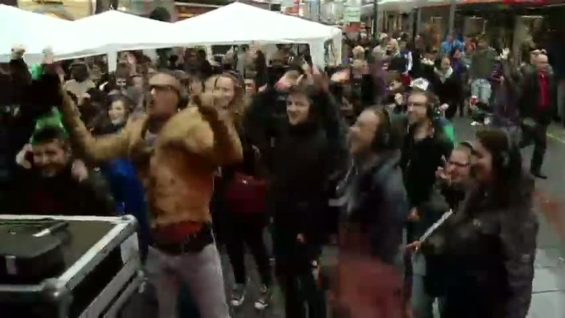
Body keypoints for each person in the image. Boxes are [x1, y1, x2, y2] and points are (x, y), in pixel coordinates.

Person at [58, 69, 242, 318]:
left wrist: (215, 115)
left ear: (175, 96)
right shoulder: (136, 130)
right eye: (150, 88)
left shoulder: (191, 125)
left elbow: (230, 154)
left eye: (161, 89)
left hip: (196, 250)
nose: (152, 94)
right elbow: (93, 150)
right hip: (158, 249)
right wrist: (62, 101)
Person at [425, 128, 537, 318]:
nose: (473, 162)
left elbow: (519, 282)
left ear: (502, 161)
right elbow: (462, 219)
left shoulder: (517, 214)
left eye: (479, 155)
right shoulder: (479, 190)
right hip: (458, 300)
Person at [333, 106, 407, 318]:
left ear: (381, 139)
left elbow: (385, 255)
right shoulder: (359, 168)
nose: (352, 130)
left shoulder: (390, 189)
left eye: (361, 127)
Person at [210, 72, 274, 310]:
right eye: (218, 88)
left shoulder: (245, 117)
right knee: (231, 240)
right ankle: (239, 280)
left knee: (254, 240)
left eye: (227, 89)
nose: (222, 94)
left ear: (236, 92)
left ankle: (266, 281)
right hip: (219, 189)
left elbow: (254, 152)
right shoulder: (208, 117)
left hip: (244, 187)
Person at [409, 143, 473, 318]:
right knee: (418, 306)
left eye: (459, 165)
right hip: (426, 251)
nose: (452, 168)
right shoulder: (438, 184)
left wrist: (450, 191)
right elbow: (426, 207)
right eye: (450, 162)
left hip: (451, 261)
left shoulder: (474, 196)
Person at [8, 126, 114, 216]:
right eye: (38, 155)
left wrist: (87, 183)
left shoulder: (85, 181)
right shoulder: (29, 179)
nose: (44, 160)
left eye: (51, 153)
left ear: (67, 152)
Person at [519, 53, 557, 179]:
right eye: (541, 62)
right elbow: (522, 97)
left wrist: (553, 113)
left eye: (546, 62)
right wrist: (523, 116)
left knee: (541, 144)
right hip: (530, 115)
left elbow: (552, 97)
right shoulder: (529, 78)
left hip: (543, 116)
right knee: (523, 142)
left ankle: (535, 169)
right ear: (535, 64)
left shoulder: (550, 78)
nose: (544, 65)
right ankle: (508, 161)